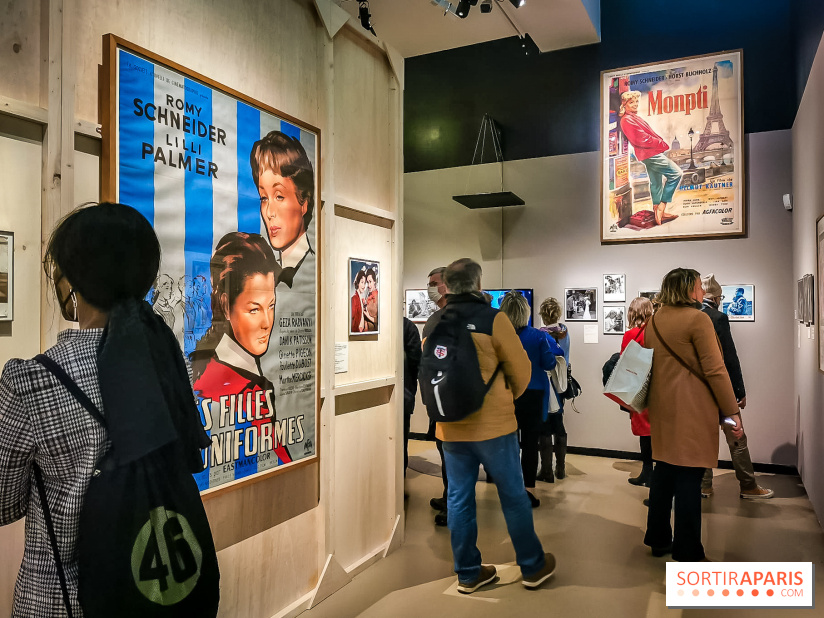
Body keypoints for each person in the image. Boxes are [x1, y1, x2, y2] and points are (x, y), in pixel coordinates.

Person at [0, 202, 212, 615]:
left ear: (74, 279)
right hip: (153, 589)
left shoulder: (31, 382)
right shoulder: (171, 361)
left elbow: (3, 502)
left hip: (66, 601)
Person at [436, 258, 555, 593]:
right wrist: (503, 401)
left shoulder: (435, 322)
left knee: (459, 498)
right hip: (494, 427)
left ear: (446, 285)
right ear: (477, 283)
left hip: (450, 428)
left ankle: (468, 573)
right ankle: (532, 566)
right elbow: (522, 371)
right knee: (513, 494)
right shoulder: (493, 319)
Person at [642, 267, 743, 561]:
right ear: (689, 290)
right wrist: (732, 410)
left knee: (664, 471)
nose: (702, 291)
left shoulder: (656, 319)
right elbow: (715, 369)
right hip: (692, 409)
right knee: (689, 477)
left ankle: (658, 538)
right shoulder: (698, 319)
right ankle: (688, 550)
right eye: (699, 286)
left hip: (662, 408)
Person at [190, 231, 292, 466]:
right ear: (225, 305)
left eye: (271, 306)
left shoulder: (248, 378)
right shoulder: (227, 383)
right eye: (254, 309)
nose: (267, 322)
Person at [700, 274, 773, 499]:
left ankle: (704, 486)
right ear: (717, 297)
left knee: (704, 436)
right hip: (721, 392)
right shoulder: (718, 318)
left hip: (699, 392)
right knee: (736, 436)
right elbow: (730, 358)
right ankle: (748, 485)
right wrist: (739, 391)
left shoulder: (691, 317)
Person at [499, 291, 563, 507]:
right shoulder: (538, 336)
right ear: (526, 312)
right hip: (533, 395)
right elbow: (549, 364)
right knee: (529, 444)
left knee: (508, 445)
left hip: (505, 394)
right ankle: (528, 491)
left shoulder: (497, 337)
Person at [250, 130, 315, 288]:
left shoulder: (311, 272)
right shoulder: (267, 272)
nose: (269, 213)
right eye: (264, 198)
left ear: (304, 203)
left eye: (279, 196)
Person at [619, 90, 683, 226]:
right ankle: (662, 206)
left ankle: (658, 213)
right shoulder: (627, 120)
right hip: (650, 153)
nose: (636, 104)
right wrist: (660, 142)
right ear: (624, 104)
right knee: (676, 173)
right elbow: (641, 139)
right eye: (632, 102)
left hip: (648, 154)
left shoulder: (631, 117)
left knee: (656, 182)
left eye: (636, 101)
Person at [421, 266, 450, 526]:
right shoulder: (438, 316)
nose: (430, 287)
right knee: (444, 451)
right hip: (438, 398)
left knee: (452, 454)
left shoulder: (449, 318)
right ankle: (448, 496)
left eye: (434, 282)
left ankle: (454, 505)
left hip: (449, 399)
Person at [621, 296, 654, 488]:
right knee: (653, 433)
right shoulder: (655, 333)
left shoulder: (630, 334)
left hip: (638, 388)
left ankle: (648, 473)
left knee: (645, 434)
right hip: (656, 387)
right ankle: (649, 474)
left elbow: (624, 361)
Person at [536, 297, 570, 482]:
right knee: (559, 424)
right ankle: (561, 468)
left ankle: (547, 471)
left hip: (546, 384)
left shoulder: (541, 335)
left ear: (542, 315)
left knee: (545, 427)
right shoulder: (565, 332)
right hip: (562, 384)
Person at [403, 316, 422, 474]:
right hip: (404, 394)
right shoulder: (407, 326)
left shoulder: (406, 327)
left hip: (404, 393)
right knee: (401, 441)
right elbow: (416, 360)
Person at [364, 267, 378, 332]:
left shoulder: (378, 298)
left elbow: (379, 321)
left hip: (375, 333)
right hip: (367, 333)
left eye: (370, 282)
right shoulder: (368, 297)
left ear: (374, 281)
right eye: (367, 282)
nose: (369, 285)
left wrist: (368, 316)